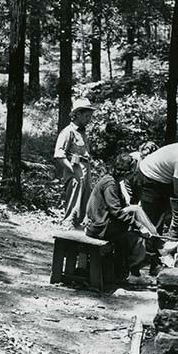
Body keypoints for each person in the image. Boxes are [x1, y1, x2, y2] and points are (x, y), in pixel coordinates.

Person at [84, 154, 150, 280]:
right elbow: (116, 211)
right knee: (138, 239)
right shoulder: (110, 184)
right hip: (100, 227)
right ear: (127, 172)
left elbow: (120, 207)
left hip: (103, 223)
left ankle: (157, 247)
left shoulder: (114, 181)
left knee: (135, 214)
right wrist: (139, 225)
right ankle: (131, 270)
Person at [54, 99, 95, 229]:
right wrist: (71, 169)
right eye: (87, 116)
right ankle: (68, 225)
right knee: (73, 200)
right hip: (75, 170)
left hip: (85, 168)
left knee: (85, 199)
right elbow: (59, 154)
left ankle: (80, 226)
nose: (89, 119)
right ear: (77, 114)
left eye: (90, 116)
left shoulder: (82, 132)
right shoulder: (68, 131)